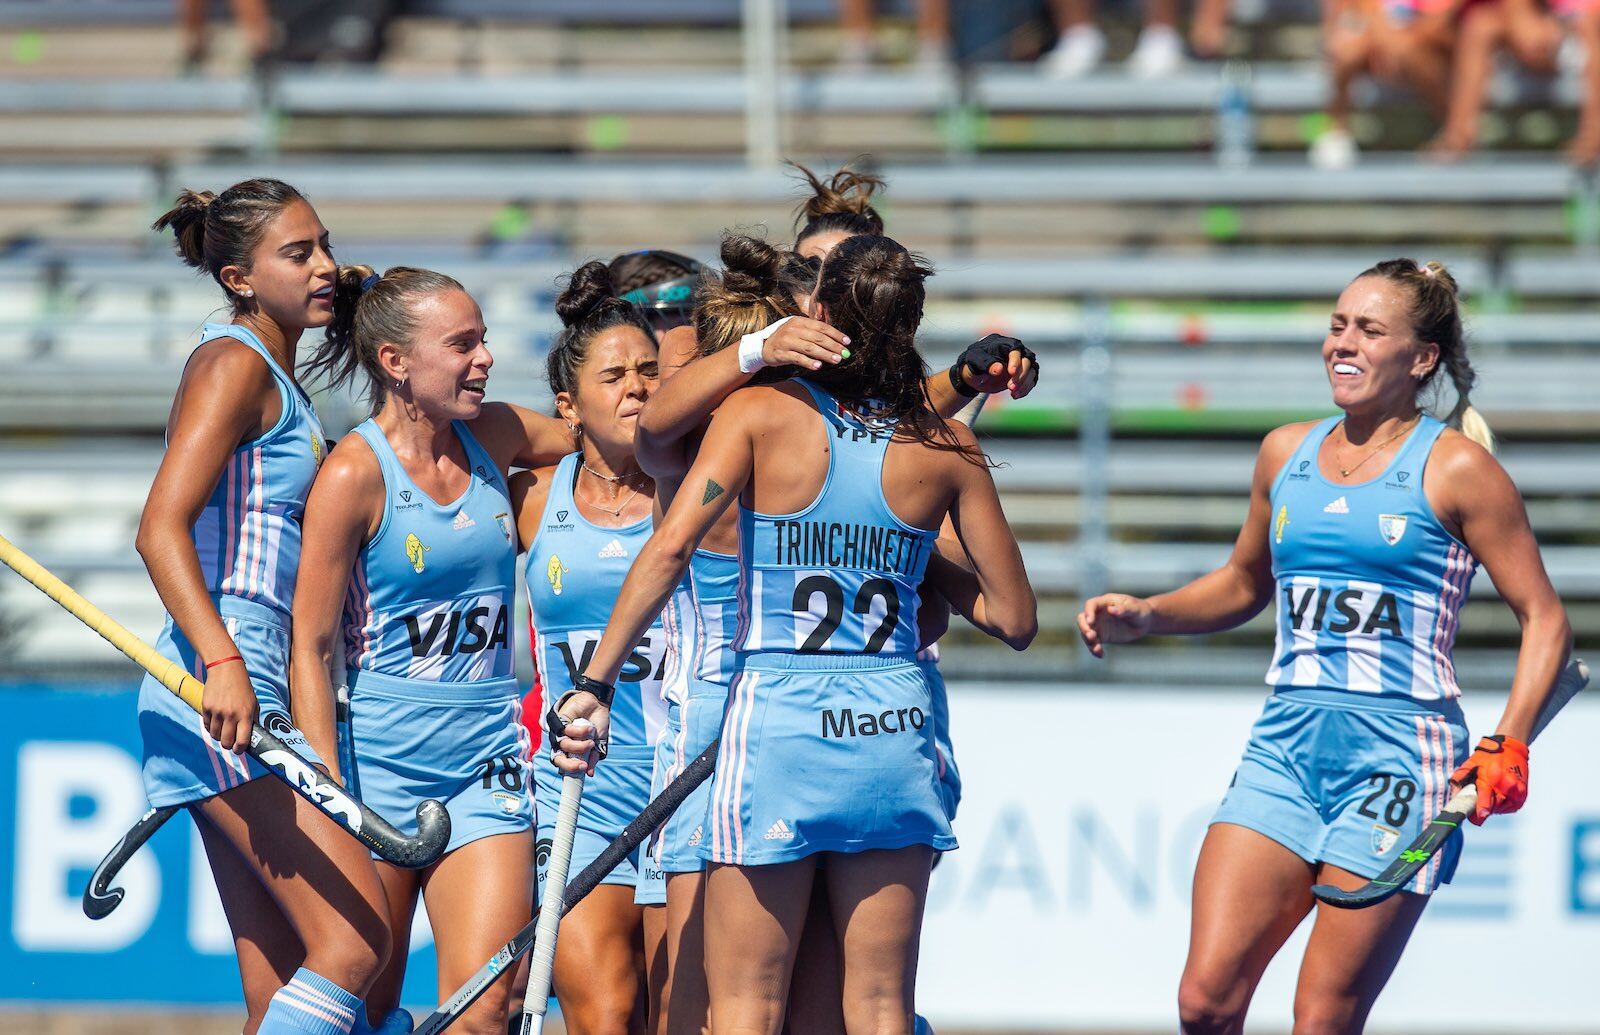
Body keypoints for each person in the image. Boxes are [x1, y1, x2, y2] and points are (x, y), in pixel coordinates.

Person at [552, 233, 1037, 1034]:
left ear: (818, 310)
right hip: (891, 726)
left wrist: (596, 683)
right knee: (879, 1006)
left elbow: (668, 543)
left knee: (744, 1006)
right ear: (911, 324)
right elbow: (1014, 619)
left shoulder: (759, 414)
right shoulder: (949, 443)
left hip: (779, 725)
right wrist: (903, 554)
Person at [1077, 258, 1572, 1034]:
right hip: (1286, 744)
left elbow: (1545, 618)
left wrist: (1509, 741)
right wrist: (1150, 613)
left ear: (1421, 358)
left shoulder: (1462, 469)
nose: (1343, 342)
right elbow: (1244, 582)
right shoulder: (1284, 453)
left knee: (1322, 1018)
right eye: (1338, 325)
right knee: (1204, 1001)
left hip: (1401, 757)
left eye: (1369, 330)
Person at [287, 266, 574, 1033]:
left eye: (482, 340)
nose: (484, 358)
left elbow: (609, 443)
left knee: (486, 1009)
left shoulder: (499, 434)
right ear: (396, 361)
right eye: (463, 344)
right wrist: (328, 786)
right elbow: (310, 648)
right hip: (377, 759)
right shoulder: (353, 471)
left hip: (485, 756)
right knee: (365, 1003)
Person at [138, 179, 389, 1035]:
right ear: (240, 277)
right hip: (224, 678)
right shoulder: (233, 363)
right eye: (298, 253)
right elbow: (159, 528)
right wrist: (223, 661)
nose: (323, 264)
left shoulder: (268, 363)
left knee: (277, 987)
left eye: (323, 244)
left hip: (239, 673)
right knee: (356, 941)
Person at [512, 261, 669, 1034]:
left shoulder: (705, 489)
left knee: (679, 1016)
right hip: (581, 792)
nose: (637, 386)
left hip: (687, 781)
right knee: (606, 1014)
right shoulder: (534, 497)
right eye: (614, 375)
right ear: (569, 406)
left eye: (649, 370)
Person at [1428, 0, 1600, 165]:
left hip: (1573, 26)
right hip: (1546, 24)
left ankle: (1593, 133)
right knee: (1479, 25)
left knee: (1586, 24)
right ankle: (1459, 135)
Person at [1314, 0, 1471, 168]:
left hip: (1426, 44)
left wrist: (1396, 43)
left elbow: (1441, 22)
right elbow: (1361, 10)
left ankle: (1452, 128)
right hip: (1379, 37)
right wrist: (1386, 40)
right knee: (1345, 50)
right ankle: (1336, 130)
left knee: (1410, 51)